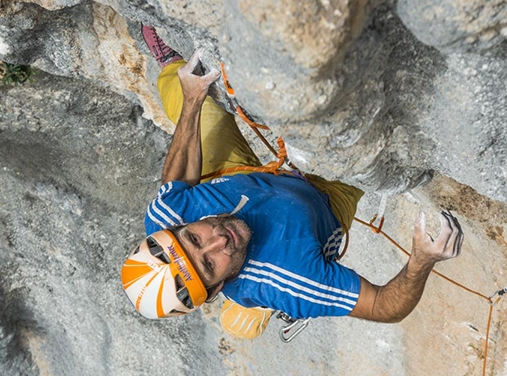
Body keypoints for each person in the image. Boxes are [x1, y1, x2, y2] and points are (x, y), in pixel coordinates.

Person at [121, 26, 463, 339]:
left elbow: (176, 183)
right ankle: (250, 308)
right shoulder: (292, 280)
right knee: (368, 151)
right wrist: (421, 260)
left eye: (196, 238)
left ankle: (168, 64)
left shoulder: (166, 222)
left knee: (198, 107)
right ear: (214, 290)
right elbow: (382, 307)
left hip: (243, 179)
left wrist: (194, 100)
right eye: (209, 264)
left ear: (179, 228)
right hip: (325, 198)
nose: (217, 241)